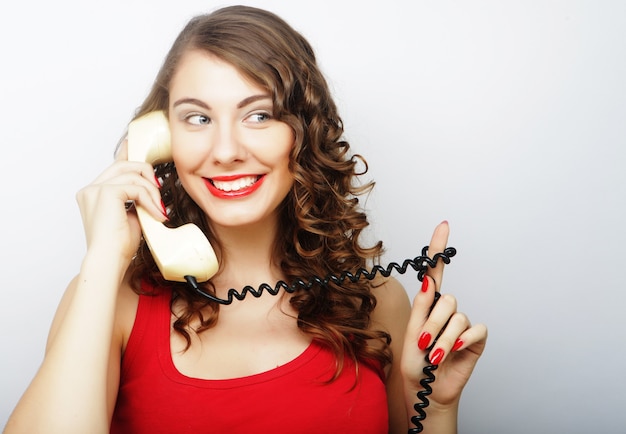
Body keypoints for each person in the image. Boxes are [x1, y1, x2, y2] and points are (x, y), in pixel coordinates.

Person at [5, 5, 487, 434]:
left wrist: (438, 407)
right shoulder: (110, 300)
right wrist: (106, 255)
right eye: (197, 118)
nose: (227, 151)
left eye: (259, 116)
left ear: (304, 132)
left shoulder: (377, 299)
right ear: (160, 138)